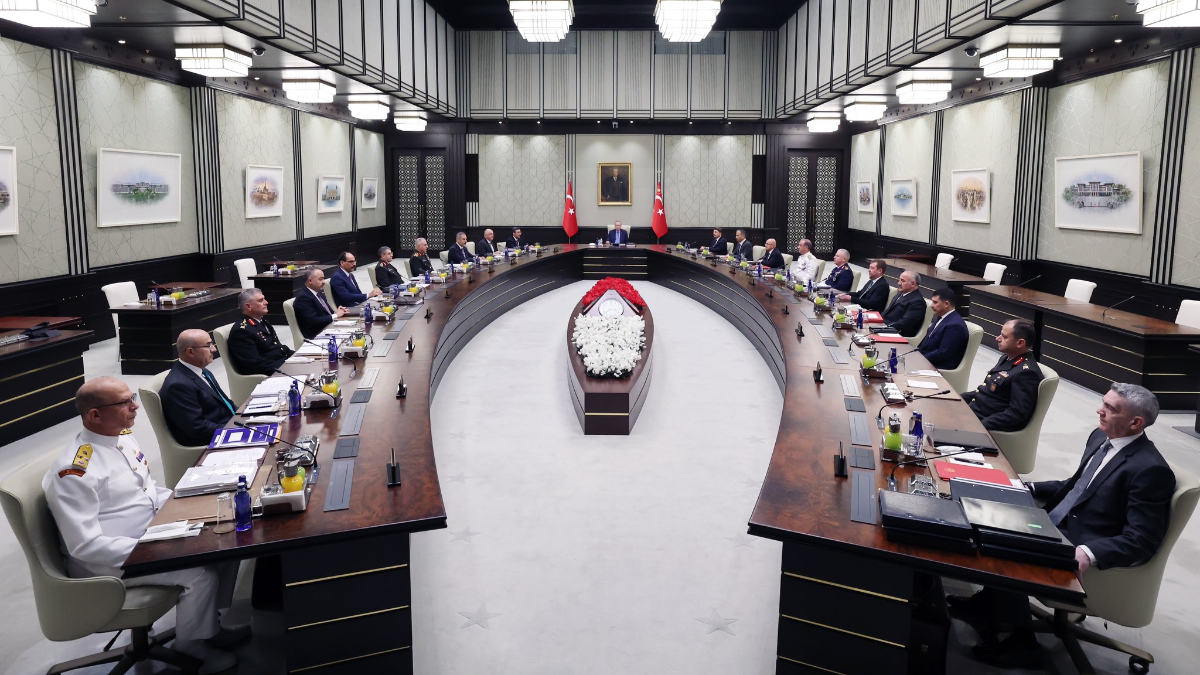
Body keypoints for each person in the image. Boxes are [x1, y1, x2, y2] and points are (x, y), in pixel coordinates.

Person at [949, 383, 1175, 669]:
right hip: (1058, 520)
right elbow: (1078, 485)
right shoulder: (1100, 436)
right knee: (989, 513)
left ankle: (1024, 645)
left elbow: (1142, 540)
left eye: (1110, 408)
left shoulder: (1150, 470)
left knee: (1007, 543)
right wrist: (1026, 487)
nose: (1100, 411)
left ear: (1135, 422)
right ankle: (988, 605)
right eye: (1103, 403)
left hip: (1084, 540)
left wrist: (1088, 553)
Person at [43, 377, 248, 673]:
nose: (135, 406)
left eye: (132, 398)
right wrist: (155, 550)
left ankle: (208, 628)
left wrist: (187, 502)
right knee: (200, 573)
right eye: (123, 402)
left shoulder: (122, 438)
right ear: (95, 415)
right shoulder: (75, 471)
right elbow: (85, 546)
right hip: (110, 562)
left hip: (151, 533)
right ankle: (191, 648)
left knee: (226, 538)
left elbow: (146, 492)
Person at [962, 318, 1043, 432]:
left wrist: (980, 425)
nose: (998, 338)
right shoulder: (1007, 358)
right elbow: (986, 392)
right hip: (974, 412)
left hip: (985, 422)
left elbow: (1016, 413)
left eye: (1004, 337)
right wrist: (957, 398)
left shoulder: (1026, 373)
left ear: (1020, 343)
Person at [161, 330, 238, 447]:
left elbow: (225, 403)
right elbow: (198, 428)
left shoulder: (202, 371)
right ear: (190, 352)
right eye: (208, 345)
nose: (214, 349)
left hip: (227, 425)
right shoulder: (178, 385)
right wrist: (236, 429)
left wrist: (246, 416)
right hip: (211, 442)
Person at [227, 288, 293, 376]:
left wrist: (299, 356)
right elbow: (254, 364)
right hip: (267, 374)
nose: (266, 302)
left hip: (278, 364)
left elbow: (277, 348)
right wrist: (287, 365)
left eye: (264, 299)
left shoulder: (263, 322)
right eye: (261, 300)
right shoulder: (242, 331)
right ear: (248, 306)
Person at [916, 288, 969, 369]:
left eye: (935, 302)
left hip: (938, 367)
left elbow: (943, 353)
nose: (931, 305)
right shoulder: (941, 316)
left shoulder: (955, 325)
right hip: (927, 360)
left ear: (946, 304)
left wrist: (920, 359)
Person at [293, 268, 347, 340]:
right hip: (316, 335)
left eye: (323, 278)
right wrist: (336, 315)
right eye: (320, 279)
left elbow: (327, 313)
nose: (323, 282)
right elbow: (314, 321)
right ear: (310, 281)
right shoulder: (303, 298)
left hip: (329, 328)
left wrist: (337, 312)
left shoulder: (319, 292)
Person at [880, 270, 926, 337]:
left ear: (913, 284)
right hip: (884, 327)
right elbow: (887, 312)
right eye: (899, 280)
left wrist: (881, 328)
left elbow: (904, 324)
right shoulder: (900, 294)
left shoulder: (918, 302)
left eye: (903, 281)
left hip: (897, 334)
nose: (899, 283)